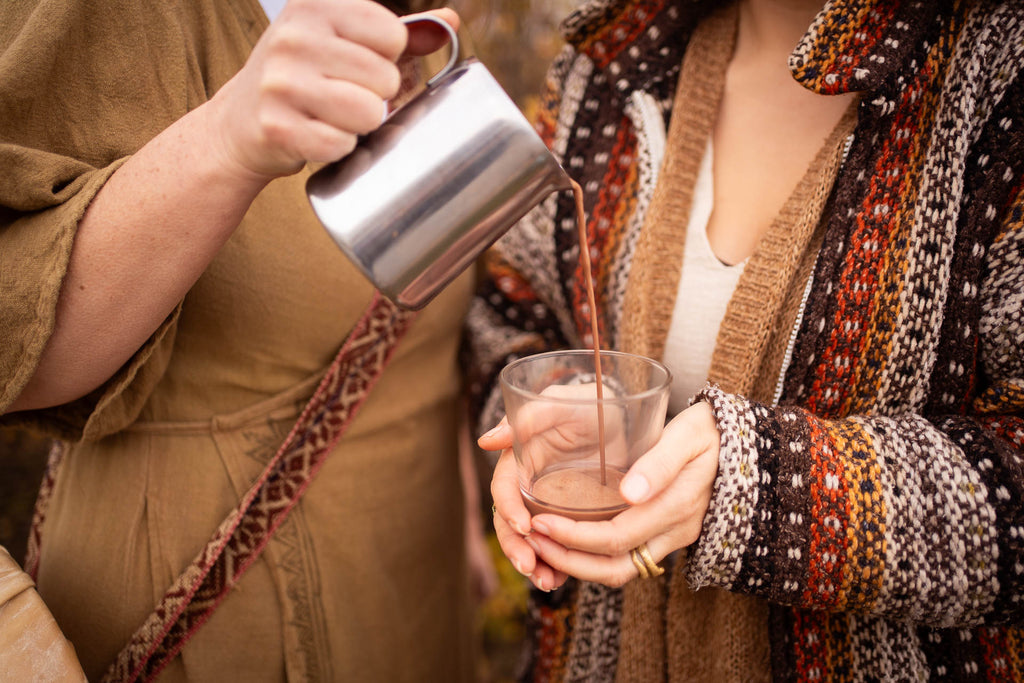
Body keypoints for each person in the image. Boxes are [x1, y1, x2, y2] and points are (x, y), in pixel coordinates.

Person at [466, 0, 1024, 680]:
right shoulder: (610, 64)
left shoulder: (997, 75)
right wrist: (545, 417)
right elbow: (509, 313)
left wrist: (765, 488)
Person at [0, 0, 479, 681]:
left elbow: (409, 297)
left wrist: (457, 481)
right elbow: (14, 336)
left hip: (414, 587)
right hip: (227, 616)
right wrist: (226, 139)